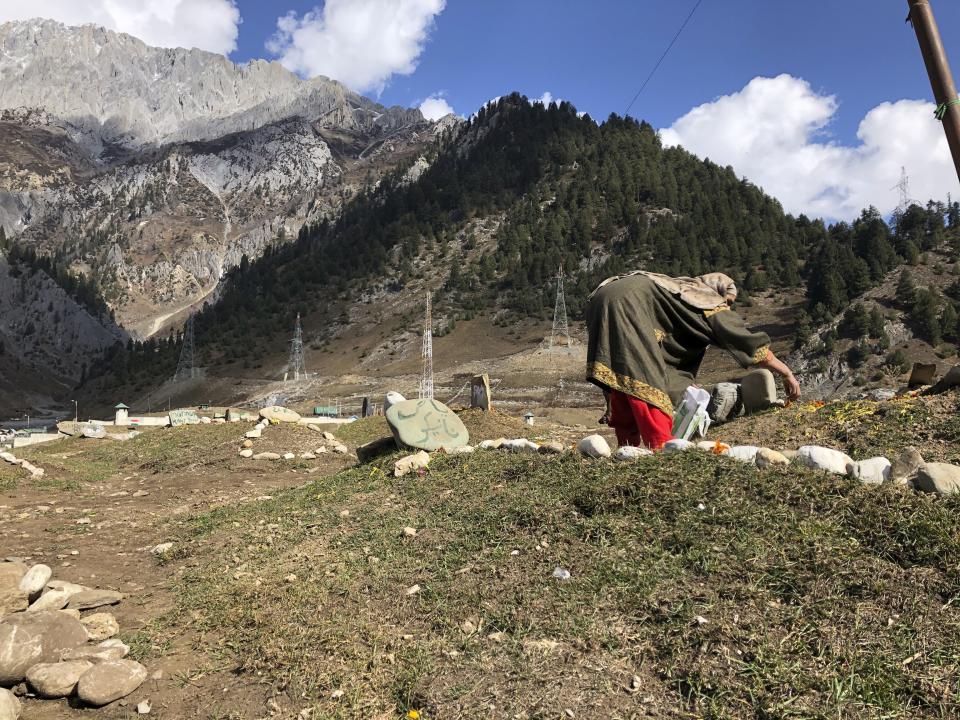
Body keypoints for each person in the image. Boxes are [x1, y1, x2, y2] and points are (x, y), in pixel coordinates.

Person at [586, 271, 800, 449]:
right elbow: (747, 343)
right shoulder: (707, 300)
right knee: (645, 378)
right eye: (728, 302)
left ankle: (627, 447)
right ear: (720, 292)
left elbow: (666, 356)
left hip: (601, 298)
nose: (727, 307)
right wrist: (786, 373)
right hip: (627, 302)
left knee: (625, 375)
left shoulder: (676, 290)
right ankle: (661, 447)